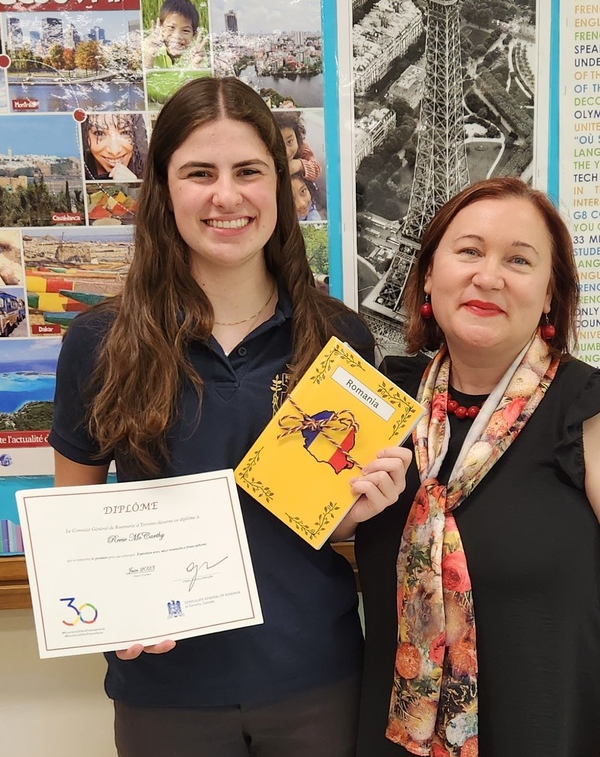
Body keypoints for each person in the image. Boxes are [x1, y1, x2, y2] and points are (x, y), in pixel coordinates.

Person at [49, 76, 410, 757]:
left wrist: (355, 511)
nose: (226, 195)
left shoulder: (339, 340)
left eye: (248, 171)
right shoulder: (99, 342)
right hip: (164, 692)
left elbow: (324, 523)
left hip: (318, 681)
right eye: (198, 173)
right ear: (162, 189)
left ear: (278, 184)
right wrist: (105, 609)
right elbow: (78, 519)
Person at [355, 177, 600, 757]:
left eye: (519, 260)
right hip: (397, 735)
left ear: (548, 295)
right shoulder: (379, 400)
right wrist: (344, 517)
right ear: (429, 276)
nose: (488, 277)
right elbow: (310, 527)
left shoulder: (586, 409)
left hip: (546, 730)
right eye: (468, 251)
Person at [143, 0, 209, 70]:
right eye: (171, 27)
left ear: (194, 35)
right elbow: (143, 75)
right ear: (160, 27)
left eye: (185, 30)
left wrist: (195, 65)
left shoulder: (197, 53)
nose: (177, 36)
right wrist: (151, 52)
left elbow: (196, 81)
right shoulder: (150, 45)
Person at [82, 113, 148, 182]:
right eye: (99, 133)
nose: (114, 151)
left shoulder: (150, 168)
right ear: (85, 136)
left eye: (125, 132)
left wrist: (134, 187)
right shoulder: (79, 168)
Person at [275, 110, 322, 181]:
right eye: (278, 145)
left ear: (297, 136)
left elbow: (316, 168)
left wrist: (300, 165)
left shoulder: (302, 148)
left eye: (290, 141)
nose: (286, 152)